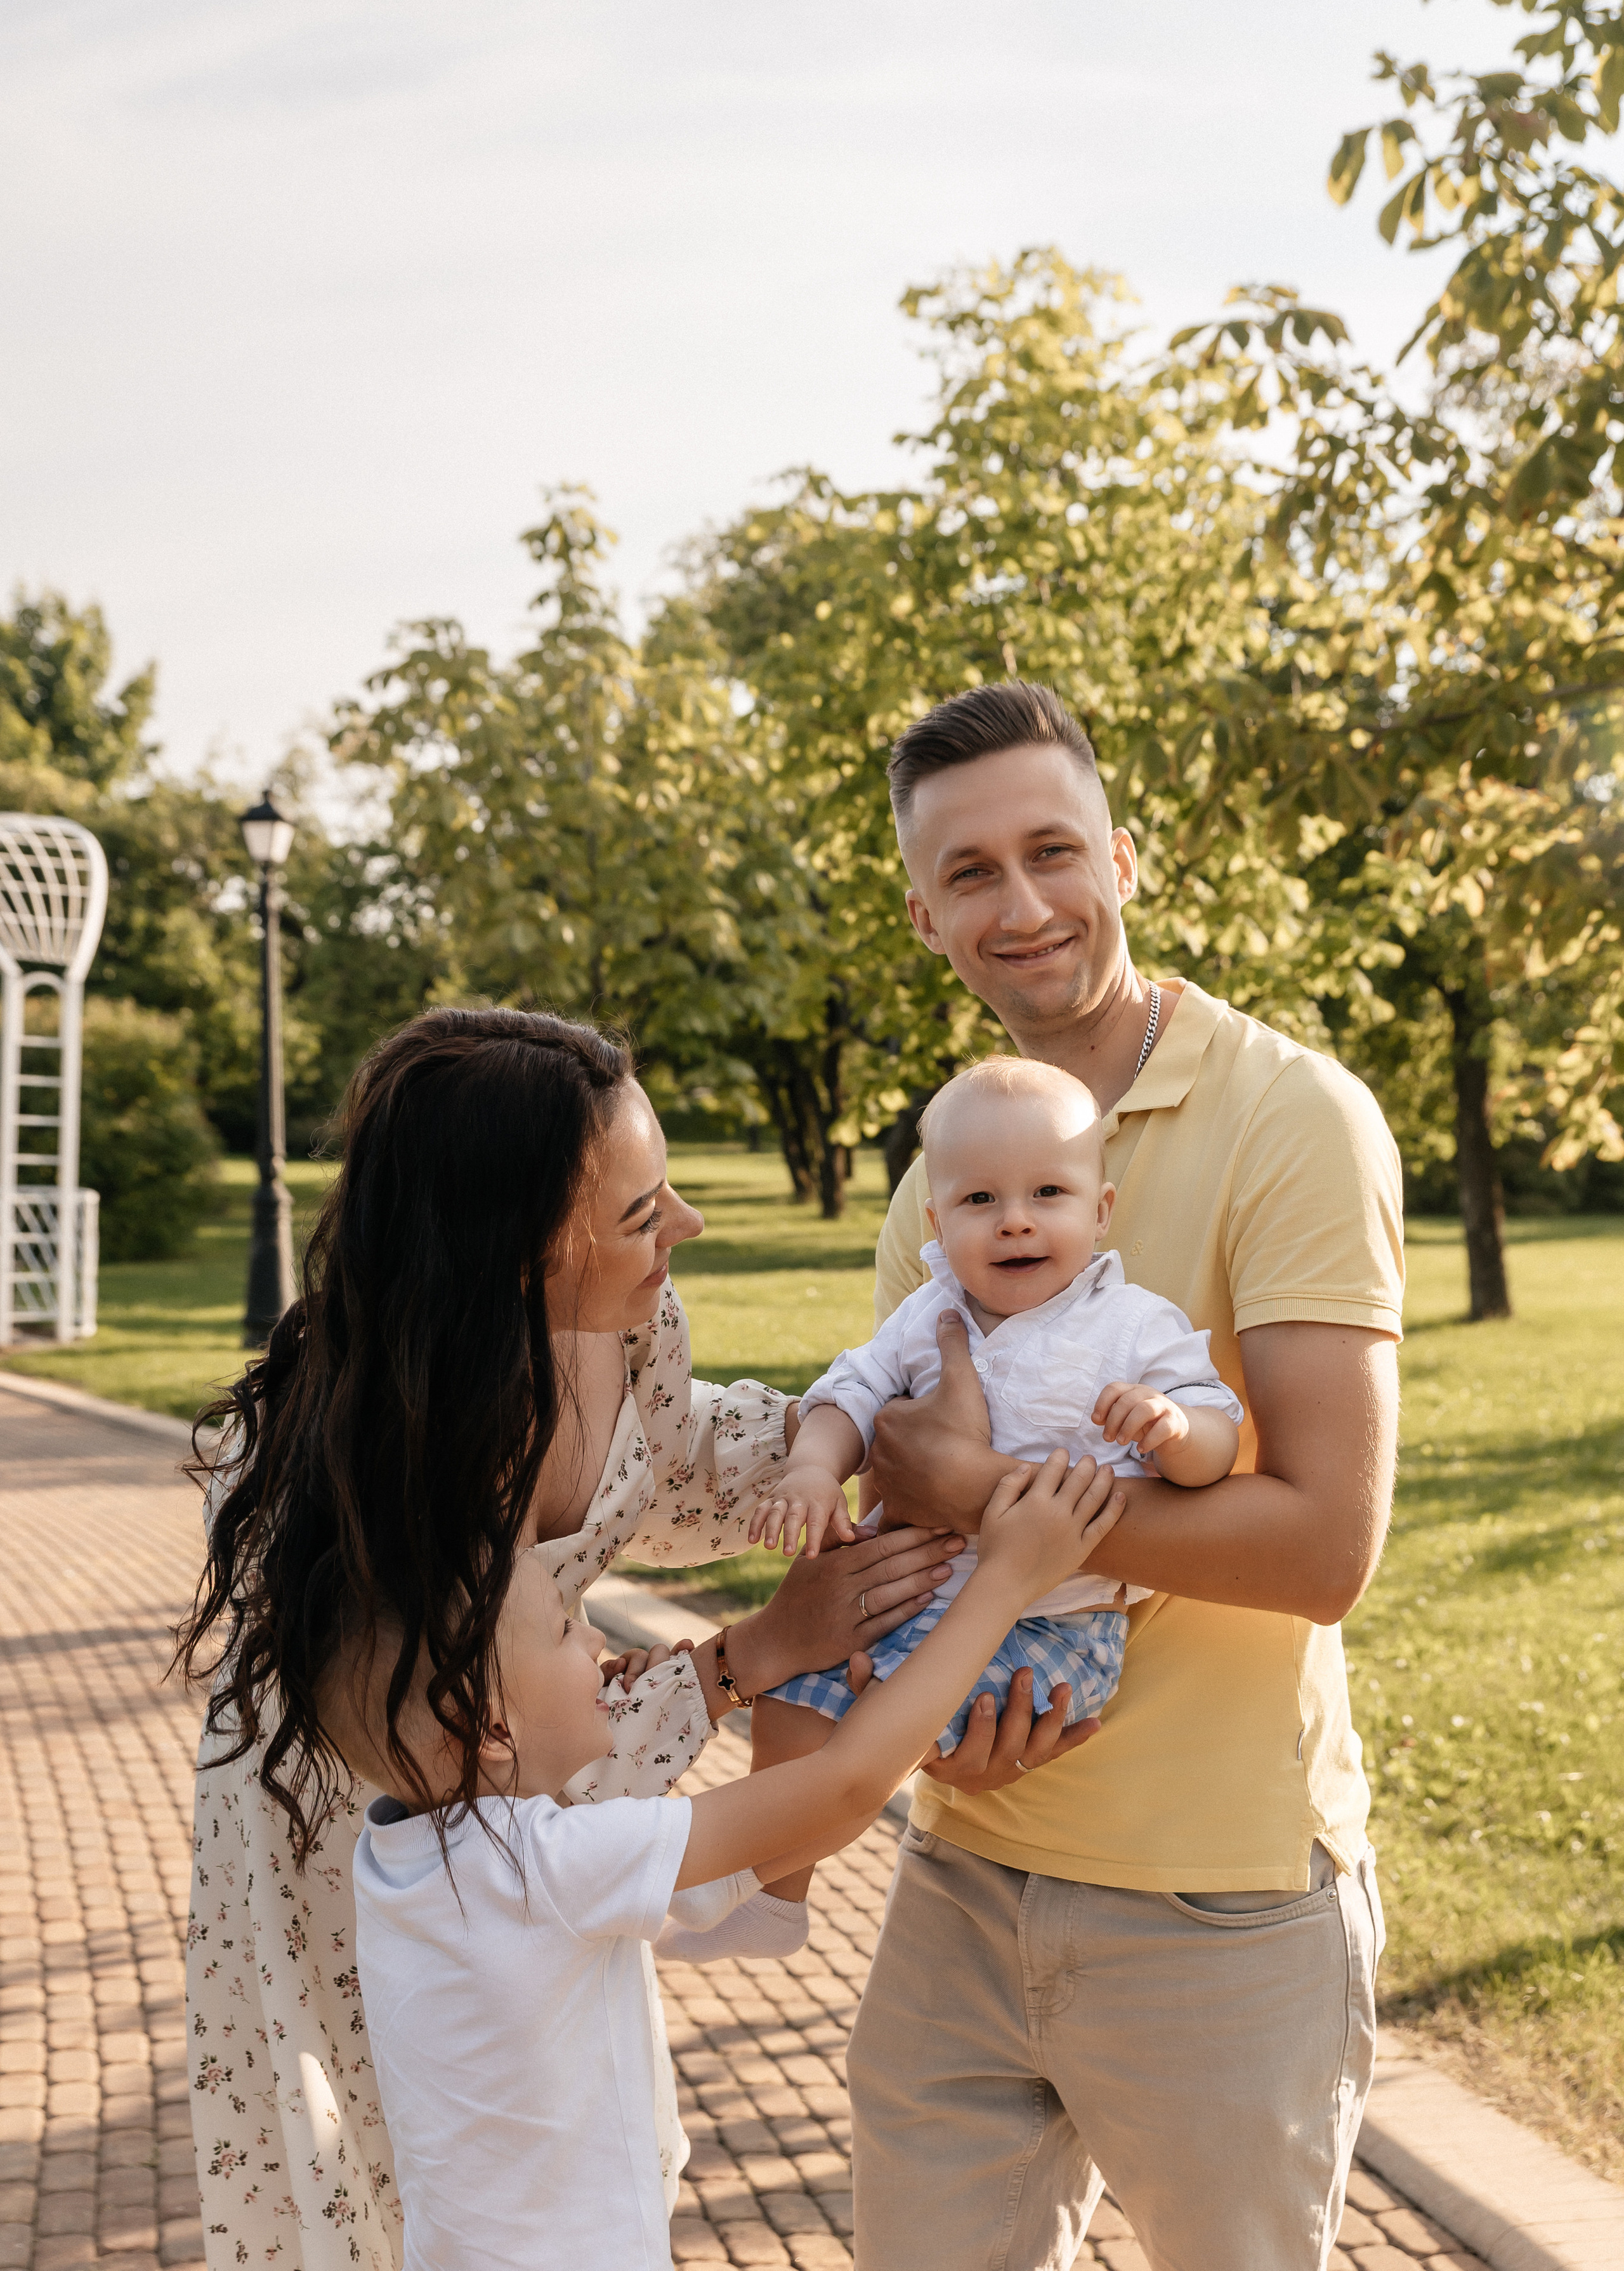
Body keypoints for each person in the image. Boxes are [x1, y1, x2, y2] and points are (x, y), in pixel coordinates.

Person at [177, 1008, 964, 2271]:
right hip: (376, 1816)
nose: (686, 1229)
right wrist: (742, 1659)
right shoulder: (388, 1471)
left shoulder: (630, 1328)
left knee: (578, 2142)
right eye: (645, 1213)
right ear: (529, 1247)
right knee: (415, 2170)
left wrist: (860, 1429)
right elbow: (474, 1748)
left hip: (526, 1771)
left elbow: (685, 1456)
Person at [843, 681, 1404, 2271]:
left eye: (1050, 851)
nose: (1019, 905)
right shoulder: (945, 1179)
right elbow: (893, 1473)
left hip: (1215, 1900)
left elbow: (1320, 1547)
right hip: (961, 1858)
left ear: (1124, 858)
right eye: (968, 874)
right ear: (923, 917)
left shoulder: (1290, 1118)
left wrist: (978, 1505)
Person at [339, 1451, 1120, 2271]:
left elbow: (758, 1842)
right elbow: (842, 1787)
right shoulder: (543, 1867)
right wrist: (1003, 1583)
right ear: (491, 1729)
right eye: (569, 1632)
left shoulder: (399, 1859)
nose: (598, 1640)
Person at [731, 1055, 1240, 1935]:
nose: (1014, 1223)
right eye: (980, 1202)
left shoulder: (1131, 1324)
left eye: (1048, 1193)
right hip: (918, 1600)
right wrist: (815, 1467)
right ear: (936, 1218)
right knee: (789, 1697)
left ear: (1100, 1210)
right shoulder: (933, 1313)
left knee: (874, 1732)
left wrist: (1172, 1427)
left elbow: (1216, 1439)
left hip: (1057, 1627)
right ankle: (770, 1898)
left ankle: (740, 1867)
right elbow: (850, 1392)